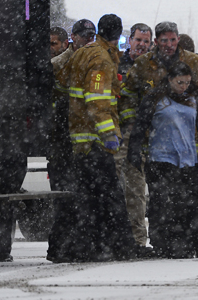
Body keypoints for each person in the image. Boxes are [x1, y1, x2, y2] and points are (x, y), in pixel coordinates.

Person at [120, 21, 198, 256]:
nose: (168, 45)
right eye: (163, 40)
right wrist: (136, 132)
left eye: (172, 40)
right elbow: (128, 97)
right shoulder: (144, 66)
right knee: (164, 200)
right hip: (159, 148)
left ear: (178, 39)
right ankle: (169, 245)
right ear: (156, 42)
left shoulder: (194, 62)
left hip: (192, 149)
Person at [55, 14, 136, 262]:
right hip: (96, 142)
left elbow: (62, 82)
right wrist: (109, 134)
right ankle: (115, 247)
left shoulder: (84, 52)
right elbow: (97, 100)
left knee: (87, 199)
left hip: (80, 139)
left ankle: (81, 248)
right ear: (119, 35)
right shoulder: (101, 58)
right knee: (109, 197)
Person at [46, 18, 97, 263]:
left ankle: (81, 246)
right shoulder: (57, 65)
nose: (87, 40)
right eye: (83, 35)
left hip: (85, 141)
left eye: (91, 35)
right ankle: (58, 248)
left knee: (84, 197)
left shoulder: (95, 61)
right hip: (61, 140)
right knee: (64, 197)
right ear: (72, 38)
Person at [115, 22, 153, 255]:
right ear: (130, 40)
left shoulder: (154, 67)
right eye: (138, 40)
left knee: (139, 191)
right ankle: (120, 238)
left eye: (146, 41)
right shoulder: (117, 64)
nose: (141, 45)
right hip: (120, 135)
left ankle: (139, 240)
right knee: (120, 187)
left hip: (148, 137)